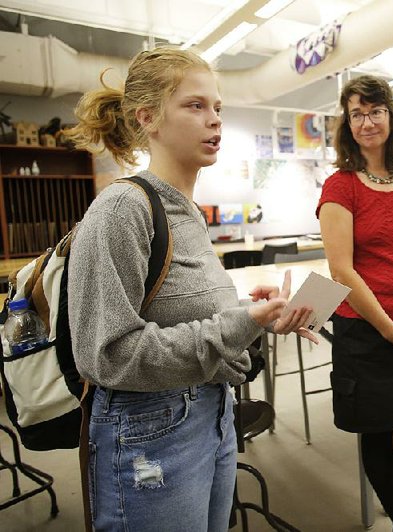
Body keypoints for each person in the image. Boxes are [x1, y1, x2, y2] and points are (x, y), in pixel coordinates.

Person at [65, 47, 315, 531]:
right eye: (195, 106)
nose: (215, 121)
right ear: (148, 118)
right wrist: (237, 325)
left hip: (211, 413)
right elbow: (107, 355)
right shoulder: (122, 210)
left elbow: (183, 316)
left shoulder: (189, 214)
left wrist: (253, 315)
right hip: (149, 432)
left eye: (218, 107)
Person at [317, 75, 393, 531]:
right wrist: (391, 331)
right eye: (356, 114)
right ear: (347, 124)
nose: (367, 122)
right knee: (376, 437)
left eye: (375, 111)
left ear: (391, 116)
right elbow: (341, 272)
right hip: (367, 332)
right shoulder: (340, 186)